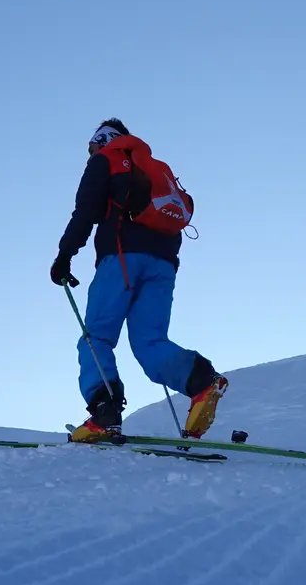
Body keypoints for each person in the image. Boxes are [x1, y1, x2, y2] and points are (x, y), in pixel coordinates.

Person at [52, 119, 227, 443]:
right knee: (150, 342)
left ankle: (104, 413)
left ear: (102, 140)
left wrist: (64, 256)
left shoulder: (106, 160)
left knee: (97, 337)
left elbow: (85, 211)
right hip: (163, 265)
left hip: (120, 259)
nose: (89, 154)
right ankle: (202, 381)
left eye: (91, 147)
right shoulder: (155, 169)